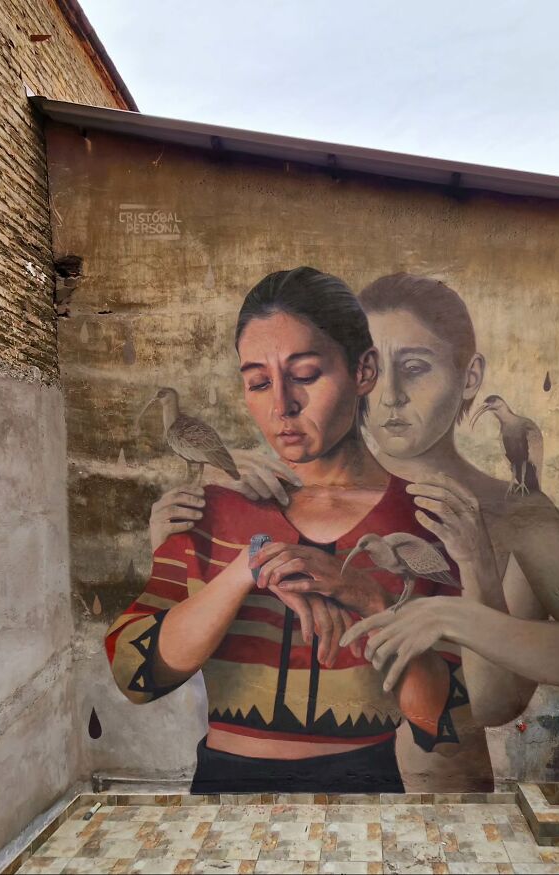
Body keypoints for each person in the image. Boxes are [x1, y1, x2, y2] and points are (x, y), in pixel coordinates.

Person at [106, 267, 466, 794]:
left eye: (305, 374)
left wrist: (366, 597)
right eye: (258, 382)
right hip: (225, 789)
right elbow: (134, 674)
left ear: (364, 370)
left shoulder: (421, 522)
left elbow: (436, 715)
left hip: (365, 790)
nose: (281, 405)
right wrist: (247, 568)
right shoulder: (210, 513)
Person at [340, 273, 559, 711]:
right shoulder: (324, 497)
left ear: (469, 377)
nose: (390, 396)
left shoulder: (517, 511)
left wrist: (468, 596)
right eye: (373, 370)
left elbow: (499, 704)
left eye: (414, 368)